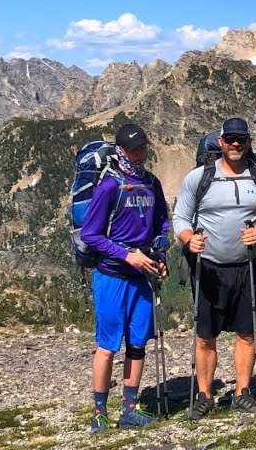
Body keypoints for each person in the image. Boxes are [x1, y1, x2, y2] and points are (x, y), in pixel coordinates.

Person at [173, 117, 256, 418]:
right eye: (229, 139)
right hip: (209, 268)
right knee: (205, 335)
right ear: (220, 142)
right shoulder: (198, 178)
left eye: (241, 139)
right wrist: (188, 238)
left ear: (249, 142)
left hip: (249, 266)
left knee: (247, 333)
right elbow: (180, 217)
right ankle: (204, 395)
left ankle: (242, 392)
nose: (235, 144)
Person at [78, 122, 171, 433]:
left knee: (137, 343)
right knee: (107, 345)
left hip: (142, 277)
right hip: (112, 277)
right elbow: (91, 235)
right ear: (120, 150)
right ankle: (99, 412)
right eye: (134, 148)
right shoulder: (109, 186)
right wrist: (126, 254)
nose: (139, 152)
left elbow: (162, 224)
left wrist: (161, 255)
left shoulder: (152, 183)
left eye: (143, 147)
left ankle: (129, 409)